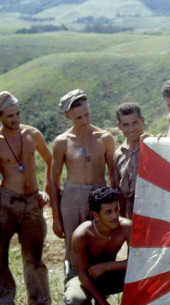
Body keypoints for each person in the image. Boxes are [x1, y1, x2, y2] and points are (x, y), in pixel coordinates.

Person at [0, 91, 57, 305]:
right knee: (0, 253)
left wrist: (45, 191)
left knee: (34, 255)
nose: (15, 118)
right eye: (10, 115)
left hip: (33, 202)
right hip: (7, 202)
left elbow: (51, 161)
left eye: (18, 113)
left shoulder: (32, 134)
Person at [50, 89, 115, 284]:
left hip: (99, 194)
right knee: (73, 247)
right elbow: (53, 180)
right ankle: (75, 301)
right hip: (72, 197)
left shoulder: (104, 138)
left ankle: (101, 299)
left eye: (87, 115)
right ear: (67, 116)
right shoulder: (62, 142)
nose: (84, 121)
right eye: (78, 117)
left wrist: (111, 205)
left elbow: (113, 174)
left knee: (100, 243)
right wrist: (55, 217)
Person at [63, 187, 131, 305]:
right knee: (77, 301)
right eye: (108, 212)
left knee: (143, 278)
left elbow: (138, 263)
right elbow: (82, 273)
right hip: (82, 276)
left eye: (116, 209)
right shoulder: (82, 234)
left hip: (108, 273)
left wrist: (107, 266)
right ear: (96, 215)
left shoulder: (125, 227)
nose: (115, 216)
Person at [114, 102, 146, 219]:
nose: (131, 129)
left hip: (152, 210)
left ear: (142, 120)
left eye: (135, 123)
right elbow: (118, 191)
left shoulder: (154, 147)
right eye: (126, 125)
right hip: (130, 213)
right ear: (119, 126)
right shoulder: (118, 154)